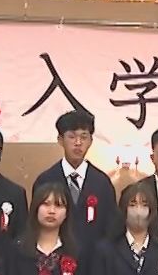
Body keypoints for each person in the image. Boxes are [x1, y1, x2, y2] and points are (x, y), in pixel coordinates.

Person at [32, 109, 117, 256]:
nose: (78, 143)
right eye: (71, 137)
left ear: (91, 141)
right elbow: (35, 225)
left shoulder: (102, 182)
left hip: (94, 260)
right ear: (60, 140)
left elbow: (111, 227)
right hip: (54, 260)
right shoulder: (45, 180)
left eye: (84, 137)